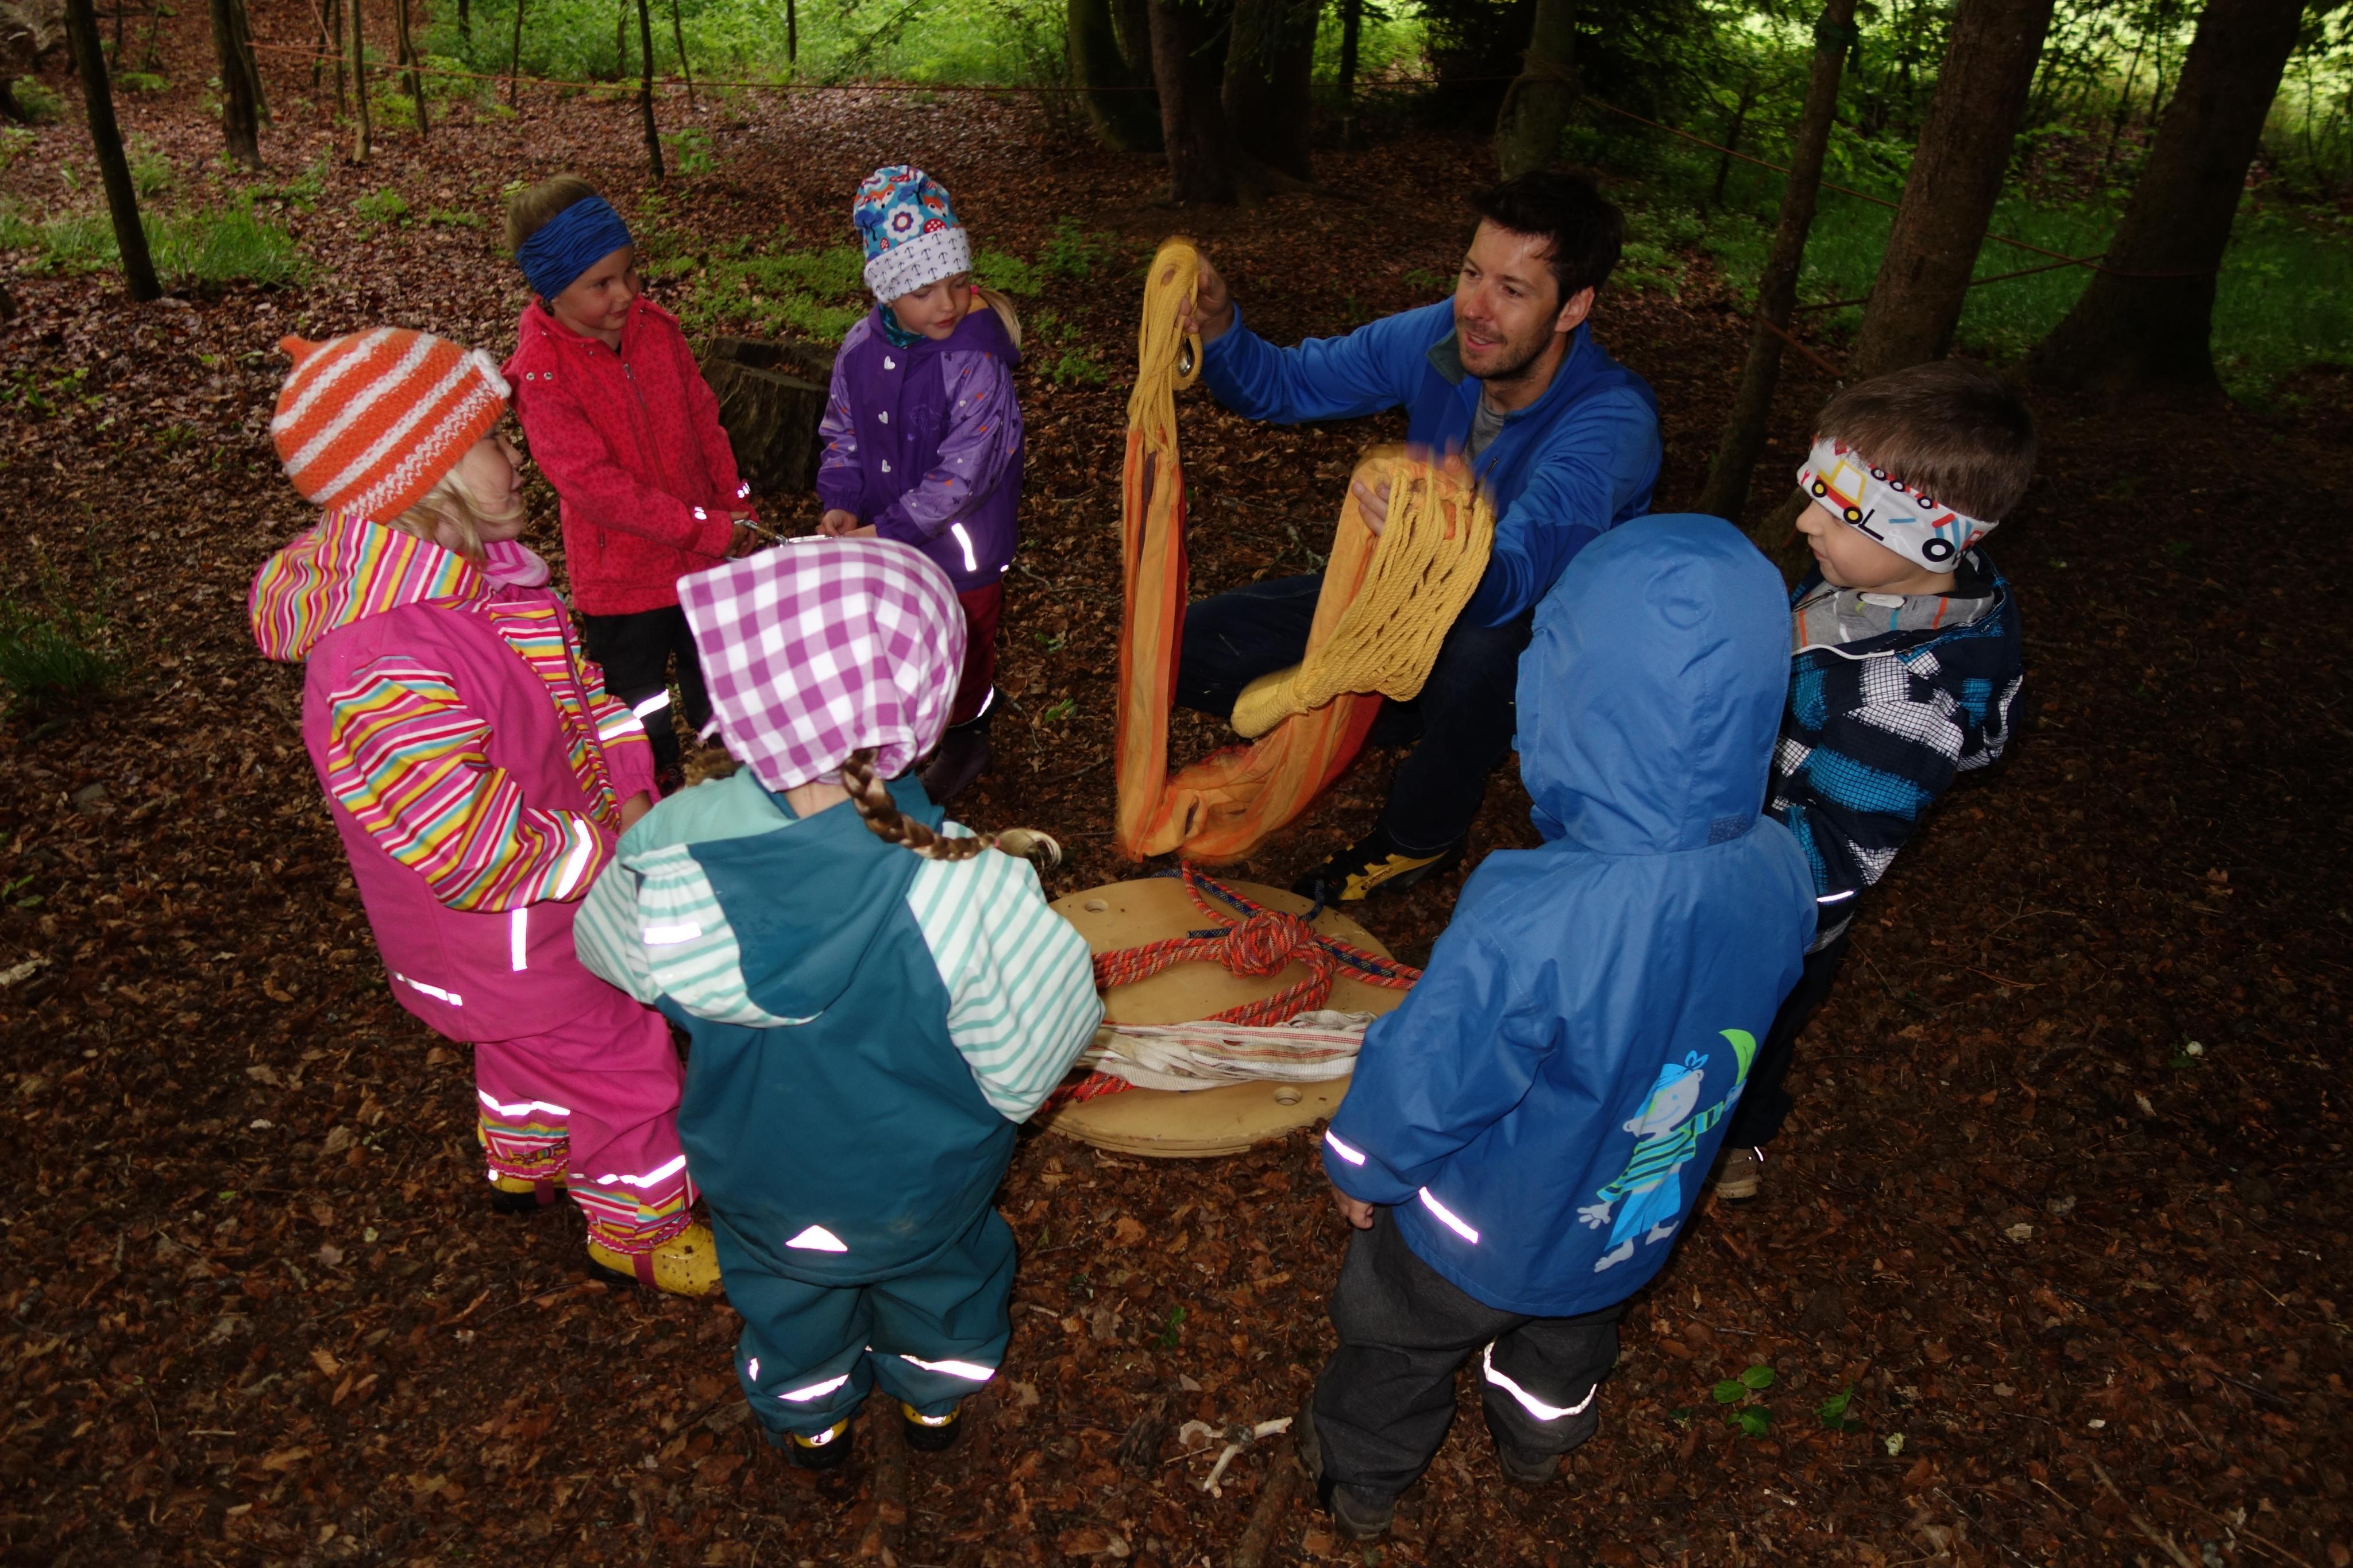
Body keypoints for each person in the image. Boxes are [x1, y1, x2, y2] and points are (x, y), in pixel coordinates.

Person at [1294, 513, 1817, 1540]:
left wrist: (1362, 1162)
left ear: (1572, 698)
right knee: (1569, 1338)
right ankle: (1538, 1440)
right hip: (1629, 1219)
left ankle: (1359, 1481)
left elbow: (1436, 1065)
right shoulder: (1781, 867)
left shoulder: (1532, 910)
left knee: (1395, 1341)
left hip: (1474, 1233)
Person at [573, 537, 1101, 1470]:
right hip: (923, 1191)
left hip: (760, 1183)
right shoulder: (972, 886)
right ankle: (935, 1397)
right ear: (921, 717)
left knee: (787, 1305)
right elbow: (1030, 1062)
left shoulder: (672, 851)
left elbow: (606, 949)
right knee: (946, 1287)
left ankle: (811, 1419)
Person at [249, 329, 720, 1296]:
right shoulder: (383, 653)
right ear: (421, 478)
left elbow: (584, 695)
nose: (520, 459)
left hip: (538, 911)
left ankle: (526, 1151)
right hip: (507, 924)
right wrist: (605, 851)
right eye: (494, 442)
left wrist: (630, 776)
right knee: (619, 1055)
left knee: (526, 1040)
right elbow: (464, 841)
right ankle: (639, 1226)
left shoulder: (490, 581)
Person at [1174, 170, 1662, 901]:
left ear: (1573, 307)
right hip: (1406, 601)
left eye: (1512, 290)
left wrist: (1425, 538)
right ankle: (1392, 708)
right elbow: (1286, 385)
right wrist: (1217, 327)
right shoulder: (1442, 339)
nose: (1476, 309)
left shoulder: (1609, 423)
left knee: (1476, 658)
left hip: (1531, 639)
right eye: (1471, 273)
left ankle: (1418, 835)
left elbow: (1510, 584)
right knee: (1193, 647)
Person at [1713, 361, 2032, 1202]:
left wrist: (1715, 888)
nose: (1805, 521)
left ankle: (1733, 1138)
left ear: (1934, 540)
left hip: (1774, 911)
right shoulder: (1867, 578)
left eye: (1842, 512)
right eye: (1814, 492)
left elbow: (1829, 866)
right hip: (1754, 827)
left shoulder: (1906, 705)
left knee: (1748, 1031)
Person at [503, 175, 760, 795]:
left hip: (705, 559)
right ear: (551, 288)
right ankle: (650, 784)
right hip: (622, 577)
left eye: (629, 273)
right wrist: (703, 529)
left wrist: (734, 505)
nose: (625, 293)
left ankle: (734, 778)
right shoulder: (542, 373)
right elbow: (594, 487)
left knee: (719, 675)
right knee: (636, 697)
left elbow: (704, 420)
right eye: (601, 284)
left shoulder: (657, 330)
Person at [814, 165, 1026, 803]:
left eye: (958, 282)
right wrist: (842, 501)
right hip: (886, 541)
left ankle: (965, 735)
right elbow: (842, 431)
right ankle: (896, 743)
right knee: (893, 643)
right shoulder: (859, 349)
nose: (948, 304)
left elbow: (968, 471)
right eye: (924, 290)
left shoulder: (975, 360)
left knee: (963, 650)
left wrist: (890, 529)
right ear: (887, 291)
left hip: (962, 552)